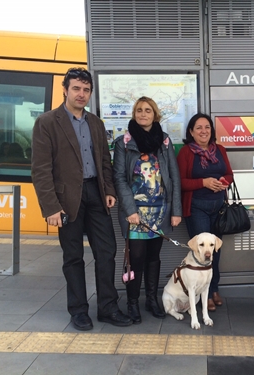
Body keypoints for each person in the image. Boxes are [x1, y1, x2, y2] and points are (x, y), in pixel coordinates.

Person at [31, 67, 132, 331]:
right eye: (76, 88)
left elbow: (104, 162)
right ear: (65, 89)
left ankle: (108, 307)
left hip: (96, 195)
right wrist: (51, 207)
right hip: (66, 199)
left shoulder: (95, 123)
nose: (81, 94)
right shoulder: (47, 122)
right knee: (73, 257)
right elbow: (40, 170)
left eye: (86, 90)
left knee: (107, 251)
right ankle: (78, 311)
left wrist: (109, 190)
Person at [113, 96, 182, 323]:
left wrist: (176, 210)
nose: (143, 114)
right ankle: (132, 303)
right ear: (134, 114)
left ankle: (151, 299)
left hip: (160, 210)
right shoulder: (123, 142)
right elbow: (120, 179)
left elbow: (173, 176)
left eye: (148, 110)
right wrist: (130, 210)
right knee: (137, 257)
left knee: (154, 256)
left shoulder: (164, 141)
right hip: (135, 213)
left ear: (155, 115)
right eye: (139, 110)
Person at [177, 113, 233, 312]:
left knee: (214, 251)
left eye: (207, 127)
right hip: (196, 207)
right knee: (202, 252)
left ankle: (214, 288)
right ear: (191, 132)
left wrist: (221, 183)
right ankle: (203, 295)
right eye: (198, 128)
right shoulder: (185, 152)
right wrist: (204, 182)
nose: (203, 131)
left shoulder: (220, 150)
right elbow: (180, 182)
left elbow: (229, 175)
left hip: (218, 207)